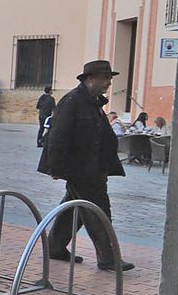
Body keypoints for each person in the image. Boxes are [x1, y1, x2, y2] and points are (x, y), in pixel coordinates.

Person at [39, 59, 133, 271]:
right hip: (81, 169)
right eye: (105, 79)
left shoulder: (93, 102)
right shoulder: (72, 101)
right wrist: (56, 167)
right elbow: (58, 136)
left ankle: (55, 246)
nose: (108, 83)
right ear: (90, 79)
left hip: (92, 167)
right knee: (98, 210)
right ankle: (108, 257)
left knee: (74, 208)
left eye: (109, 79)